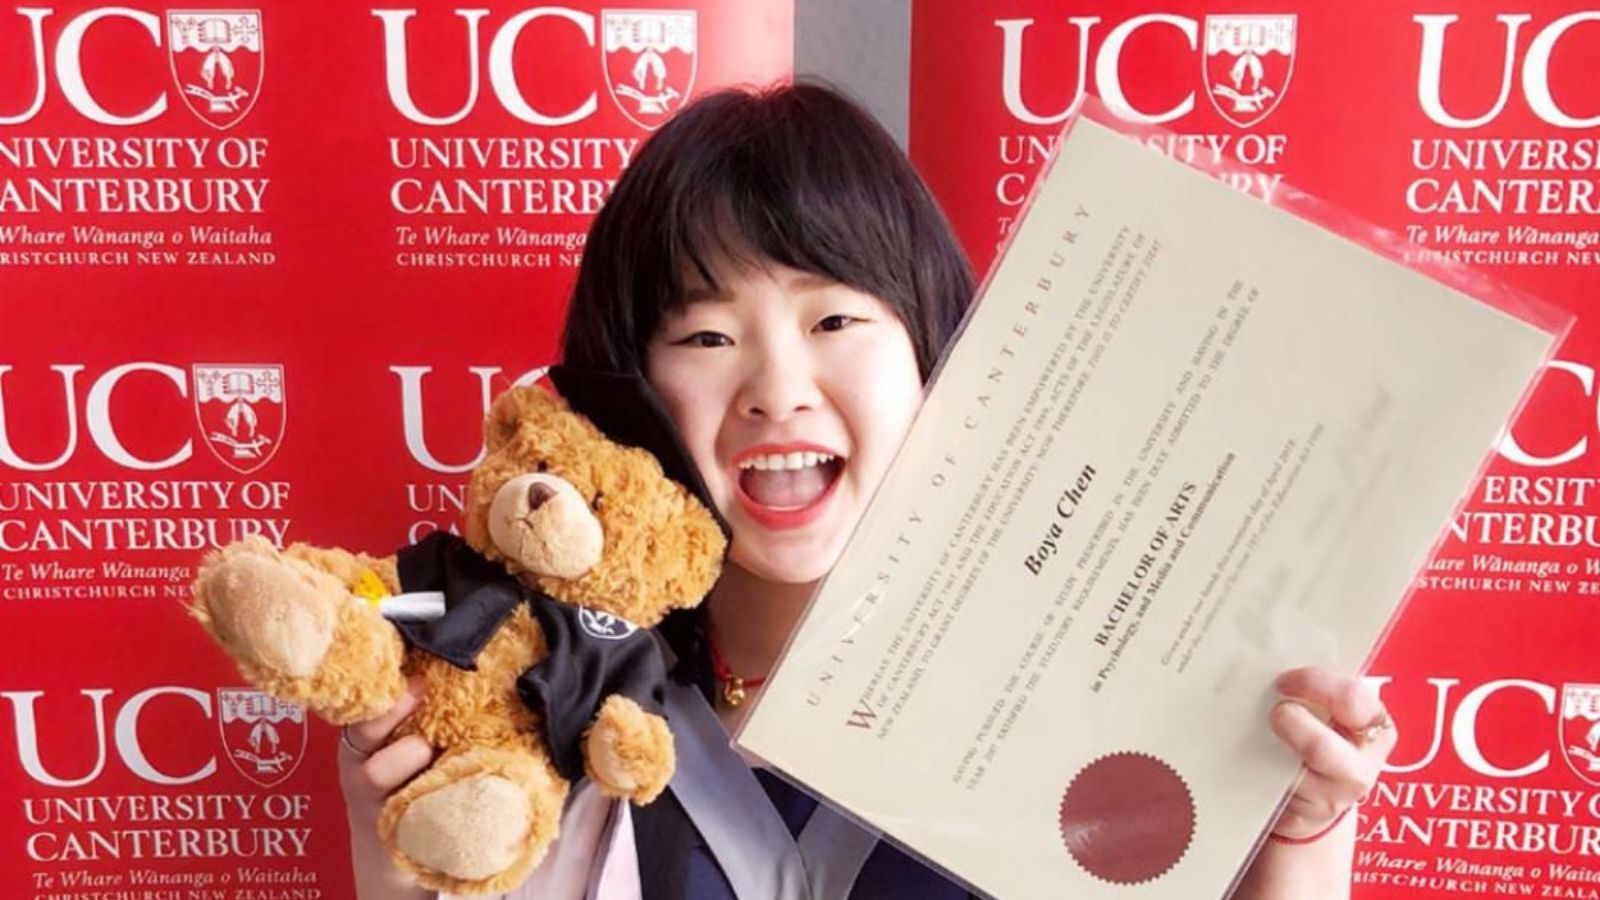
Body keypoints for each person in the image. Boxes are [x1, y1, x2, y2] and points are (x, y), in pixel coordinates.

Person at [338, 82, 1398, 899]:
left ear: (933, 348)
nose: (777, 392)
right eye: (706, 336)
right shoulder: (546, 688)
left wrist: (1300, 828)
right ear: (629, 391)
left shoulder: (1084, 676)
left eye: (834, 320)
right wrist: (387, 850)